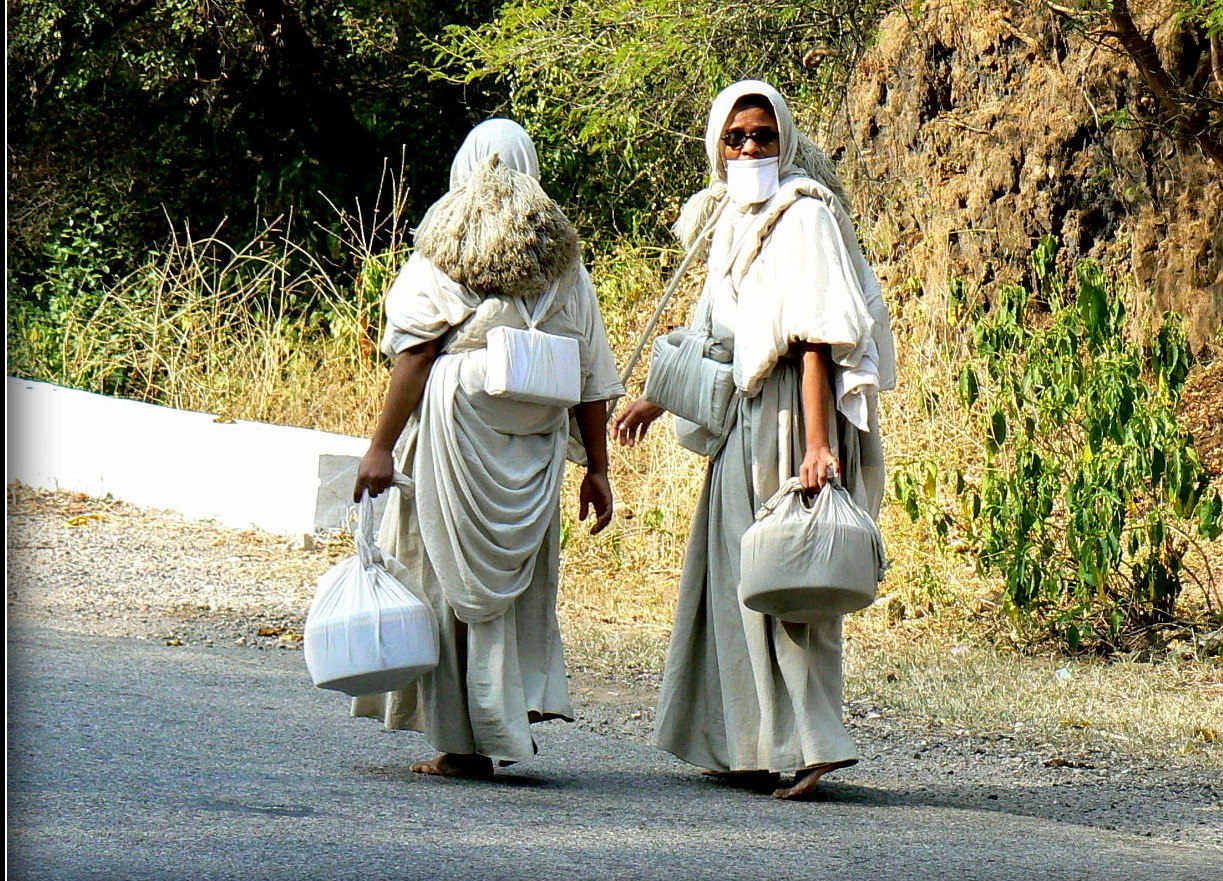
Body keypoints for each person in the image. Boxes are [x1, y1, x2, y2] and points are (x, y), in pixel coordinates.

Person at [613, 80, 896, 799]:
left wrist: (816, 442)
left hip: (789, 416)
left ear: (786, 140)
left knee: (789, 574)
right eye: (736, 137)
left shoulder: (803, 214)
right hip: (743, 417)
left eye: (762, 136)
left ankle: (815, 744)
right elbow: (718, 330)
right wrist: (654, 395)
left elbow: (812, 339)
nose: (749, 148)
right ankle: (750, 743)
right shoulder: (734, 217)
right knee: (737, 582)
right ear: (717, 144)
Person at [351, 118, 624, 780]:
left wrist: (380, 448)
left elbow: (414, 355)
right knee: (515, 586)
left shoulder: (442, 249)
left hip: (456, 425)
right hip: (535, 437)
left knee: (445, 574)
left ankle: (462, 741)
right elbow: (591, 374)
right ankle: (504, 716)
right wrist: (598, 467)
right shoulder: (566, 263)